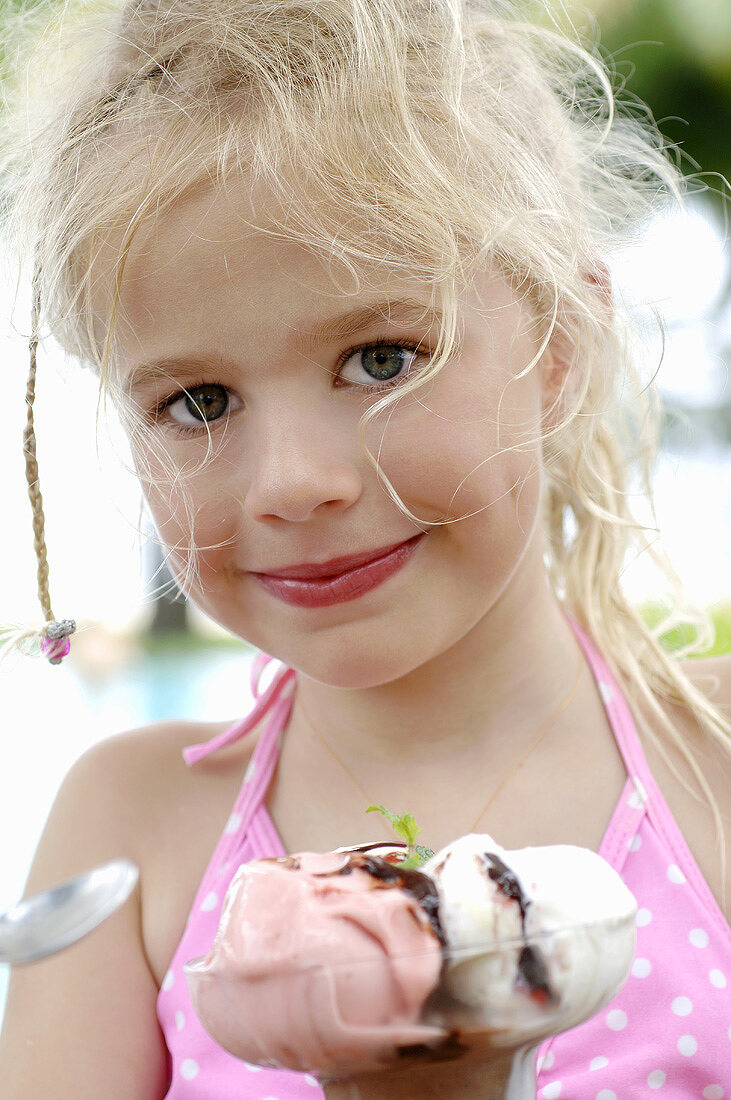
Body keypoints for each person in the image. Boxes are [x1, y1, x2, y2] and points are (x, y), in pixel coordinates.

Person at [0, 0, 729, 1095]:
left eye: (381, 358)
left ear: (558, 346)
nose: (294, 481)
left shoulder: (711, 770)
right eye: (198, 400)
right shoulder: (131, 833)